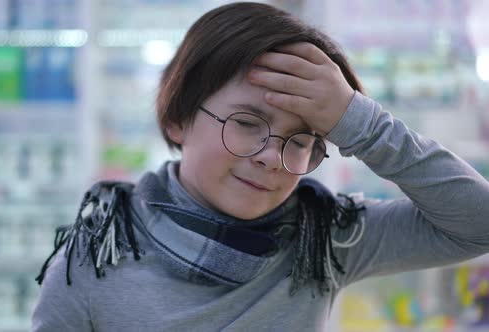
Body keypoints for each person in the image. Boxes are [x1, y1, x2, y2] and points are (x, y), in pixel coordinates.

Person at [31, 2, 489, 331]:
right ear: (177, 120)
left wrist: (359, 122)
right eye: (248, 123)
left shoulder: (325, 237)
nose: (273, 157)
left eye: (302, 139)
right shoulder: (96, 255)